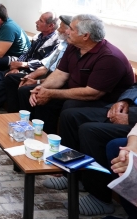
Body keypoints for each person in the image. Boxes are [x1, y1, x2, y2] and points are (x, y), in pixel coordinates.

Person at [20, 14, 135, 134]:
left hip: (105, 101)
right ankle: (34, 133)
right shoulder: (74, 46)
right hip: (77, 89)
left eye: (71, 29)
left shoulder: (109, 57)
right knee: (32, 93)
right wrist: (41, 88)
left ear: (85, 36)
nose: (67, 31)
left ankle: (58, 142)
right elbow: (60, 74)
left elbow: (93, 93)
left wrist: (50, 93)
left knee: (69, 105)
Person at [47, 87, 137, 216]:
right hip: (127, 108)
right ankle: (71, 176)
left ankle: (99, 198)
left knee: (90, 131)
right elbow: (134, 86)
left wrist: (132, 117)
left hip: (132, 116)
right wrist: (125, 100)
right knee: (70, 116)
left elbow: (94, 91)